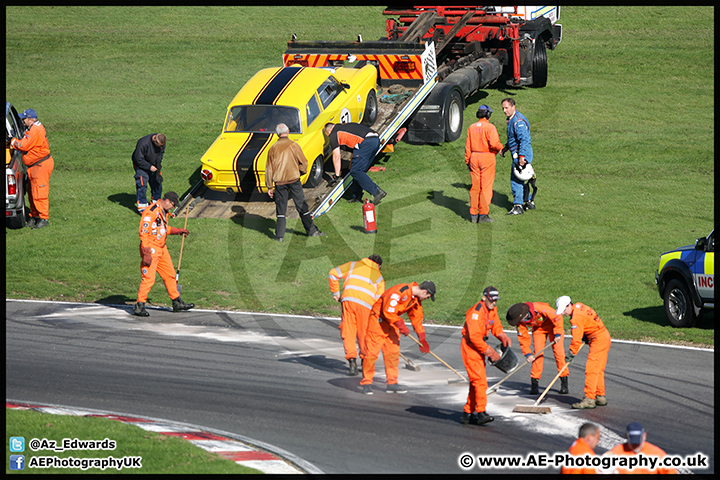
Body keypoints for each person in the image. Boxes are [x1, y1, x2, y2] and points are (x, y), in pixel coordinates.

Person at [360, 280, 435, 395]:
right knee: (371, 354)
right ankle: (367, 383)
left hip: (392, 324)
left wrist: (422, 338)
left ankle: (392, 383)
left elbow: (417, 319)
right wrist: (401, 325)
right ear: (424, 292)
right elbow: (388, 312)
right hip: (378, 322)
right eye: (428, 296)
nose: (427, 299)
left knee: (392, 354)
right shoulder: (399, 292)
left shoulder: (415, 300)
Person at [134, 191, 194, 317]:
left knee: (170, 275)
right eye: (173, 204)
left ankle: (176, 302)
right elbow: (143, 232)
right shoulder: (151, 212)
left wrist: (178, 231)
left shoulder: (164, 213)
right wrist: (146, 252)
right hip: (151, 248)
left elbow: (163, 229)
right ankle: (140, 305)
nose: (173, 207)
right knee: (149, 278)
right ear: (167, 201)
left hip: (162, 248)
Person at [461, 286, 511, 425]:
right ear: (484, 298)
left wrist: (502, 335)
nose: (494, 303)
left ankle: (468, 413)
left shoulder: (491, 309)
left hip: (479, 346)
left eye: (496, 300)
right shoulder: (475, 313)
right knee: (480, 381)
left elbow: (495, 325)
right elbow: (475, 338)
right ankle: (481, 412)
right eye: (491, 300)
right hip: (471, 347)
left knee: (475, 382)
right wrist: (490, 352)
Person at [265, 123, 325, 242]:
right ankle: (311, 231)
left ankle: (280, 236)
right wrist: (300, 173)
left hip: (279, 182)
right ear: (288, 131)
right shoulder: (294, 145)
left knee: (281, 209)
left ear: (277, 134)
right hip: (294, 180)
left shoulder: (272, 148)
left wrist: (269, 186)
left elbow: (269, 169)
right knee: (302, 205)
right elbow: (304, 163)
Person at [328, 255, 385, 376]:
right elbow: (379, 298)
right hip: (366, 306)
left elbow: (333, 273)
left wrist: (336, 293)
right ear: (378, 266)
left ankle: (352, 362)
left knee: (348, 331)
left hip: (348, 300)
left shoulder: (353, 265)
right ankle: (365, 361)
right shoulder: (379, 277)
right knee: (364, 334)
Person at [555, 296, 611, 409]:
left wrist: (570, 354)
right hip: (603, 336)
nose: (564, 313)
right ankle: (600, 396)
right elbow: (589, 321)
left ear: (568, 305)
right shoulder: (579, 306)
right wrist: (586, 334)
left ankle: (590, 399)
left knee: (591, 370)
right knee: (598, 369)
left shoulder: (575, 318)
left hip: (598, 339)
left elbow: (576, 340)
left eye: (564, 310)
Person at [506, 302, 568, 395]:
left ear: (525, 314)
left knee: (559, 354)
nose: (521, 322)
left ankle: (564, 383)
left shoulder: (540, 308)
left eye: (521, 319)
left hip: (553, 327)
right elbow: (523, 337)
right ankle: (534, 384)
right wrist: (527, 354)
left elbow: (557, 317)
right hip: (539, 330)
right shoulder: (520, 322)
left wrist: (558, 333)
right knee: (537, 355)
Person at [10, 108, 54, 229]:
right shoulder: (33, 128)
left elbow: (23, 145)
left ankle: (43, 218)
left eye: (24, 119)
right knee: (32, 192)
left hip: (40, 165)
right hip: (35, 165)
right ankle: (34, 216)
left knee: (39, 192)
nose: (22, 121)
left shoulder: (34, 130)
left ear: (30, 119)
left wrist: (13, 141)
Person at [324, 122, 387, 205]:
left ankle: (377, 191)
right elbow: (354, 152)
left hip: (366, 143)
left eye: (327, 135)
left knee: (356, 171)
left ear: (329, 130)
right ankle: (357, 195)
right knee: (358, 171)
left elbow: (336, 156)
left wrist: (336, 175)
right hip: (375, 140)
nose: (329, 137)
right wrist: (349, 168)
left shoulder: (334, 133)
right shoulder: (345, 127)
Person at [465, 105, 503, 223]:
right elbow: (494, 143)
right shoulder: (490, 127)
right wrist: (501, 149)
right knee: (485, 188)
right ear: (488, 115)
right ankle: (483, 215)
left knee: (475, 188)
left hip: (474, 158)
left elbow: (468, 146)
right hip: (487, 158)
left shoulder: (471, 127)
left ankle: (473, 214)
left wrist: (468, 160)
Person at [500, 98, 534, 215]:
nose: (504, 111)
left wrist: (521, 157)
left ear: (513, 107)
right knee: (522, 178)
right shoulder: (512, 119)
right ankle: (529, 202)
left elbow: (524, 140)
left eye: (506, 108)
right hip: (520, 153)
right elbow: (513, 139)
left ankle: (518, 206)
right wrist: (505, 148)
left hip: (521, 154)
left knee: (516, 180)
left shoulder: (518, 122)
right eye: (503, 108)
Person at [604, 422, 677, 474]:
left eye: (638, 442)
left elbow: (670, 472)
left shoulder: (656, 454)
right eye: (633, 442)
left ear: (644, 436)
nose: (636, 445)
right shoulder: (616, 453)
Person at [132, 133, 166, 213]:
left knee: (157, 182)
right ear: (154, 140)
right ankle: (143, 208)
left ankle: (156, 204)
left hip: (154, 165)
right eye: (157, 145)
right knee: (142, 184)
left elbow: (161, 154)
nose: (159, 147)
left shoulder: (161, 142)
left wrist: (158, 164)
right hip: (141, 165)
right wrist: (149, 167)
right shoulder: (143, 143)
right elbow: (138, 159)